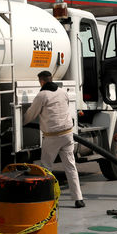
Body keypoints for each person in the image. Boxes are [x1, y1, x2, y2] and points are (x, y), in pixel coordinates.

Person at [24, 70, 85, 208]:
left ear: (41, 81)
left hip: (52, 137)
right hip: (68, 134)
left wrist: (19, 122)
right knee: (70, 167)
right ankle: (78, 199)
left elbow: (31, 114)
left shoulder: (42, 95)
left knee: (46, 167)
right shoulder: (62, 92)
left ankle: (47, 199)